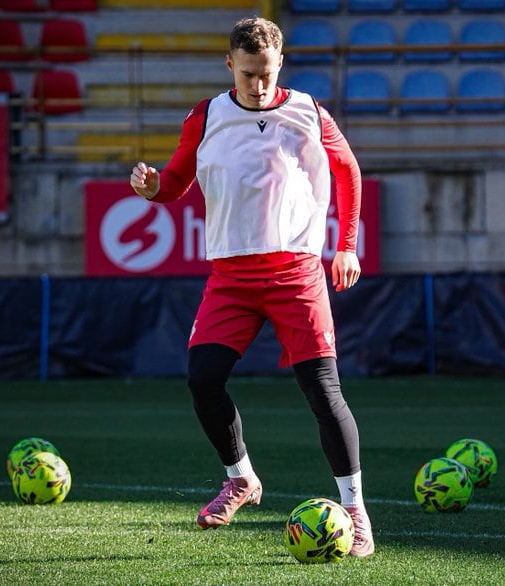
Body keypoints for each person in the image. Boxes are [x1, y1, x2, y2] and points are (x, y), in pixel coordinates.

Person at [129, 17, 374, 557]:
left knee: (322, 391)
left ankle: (355, 510)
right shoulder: (205, 117)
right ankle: (240, 478)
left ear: (280, 64)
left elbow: (349, 171)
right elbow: (175, 182)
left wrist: (347, 244)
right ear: (229, 65)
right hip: (232, 277)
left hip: (296, 272)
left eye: (266, 74)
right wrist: (152, 189)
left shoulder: (309, 112)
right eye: (247, 75)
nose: (258, 86)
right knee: (203, 379)